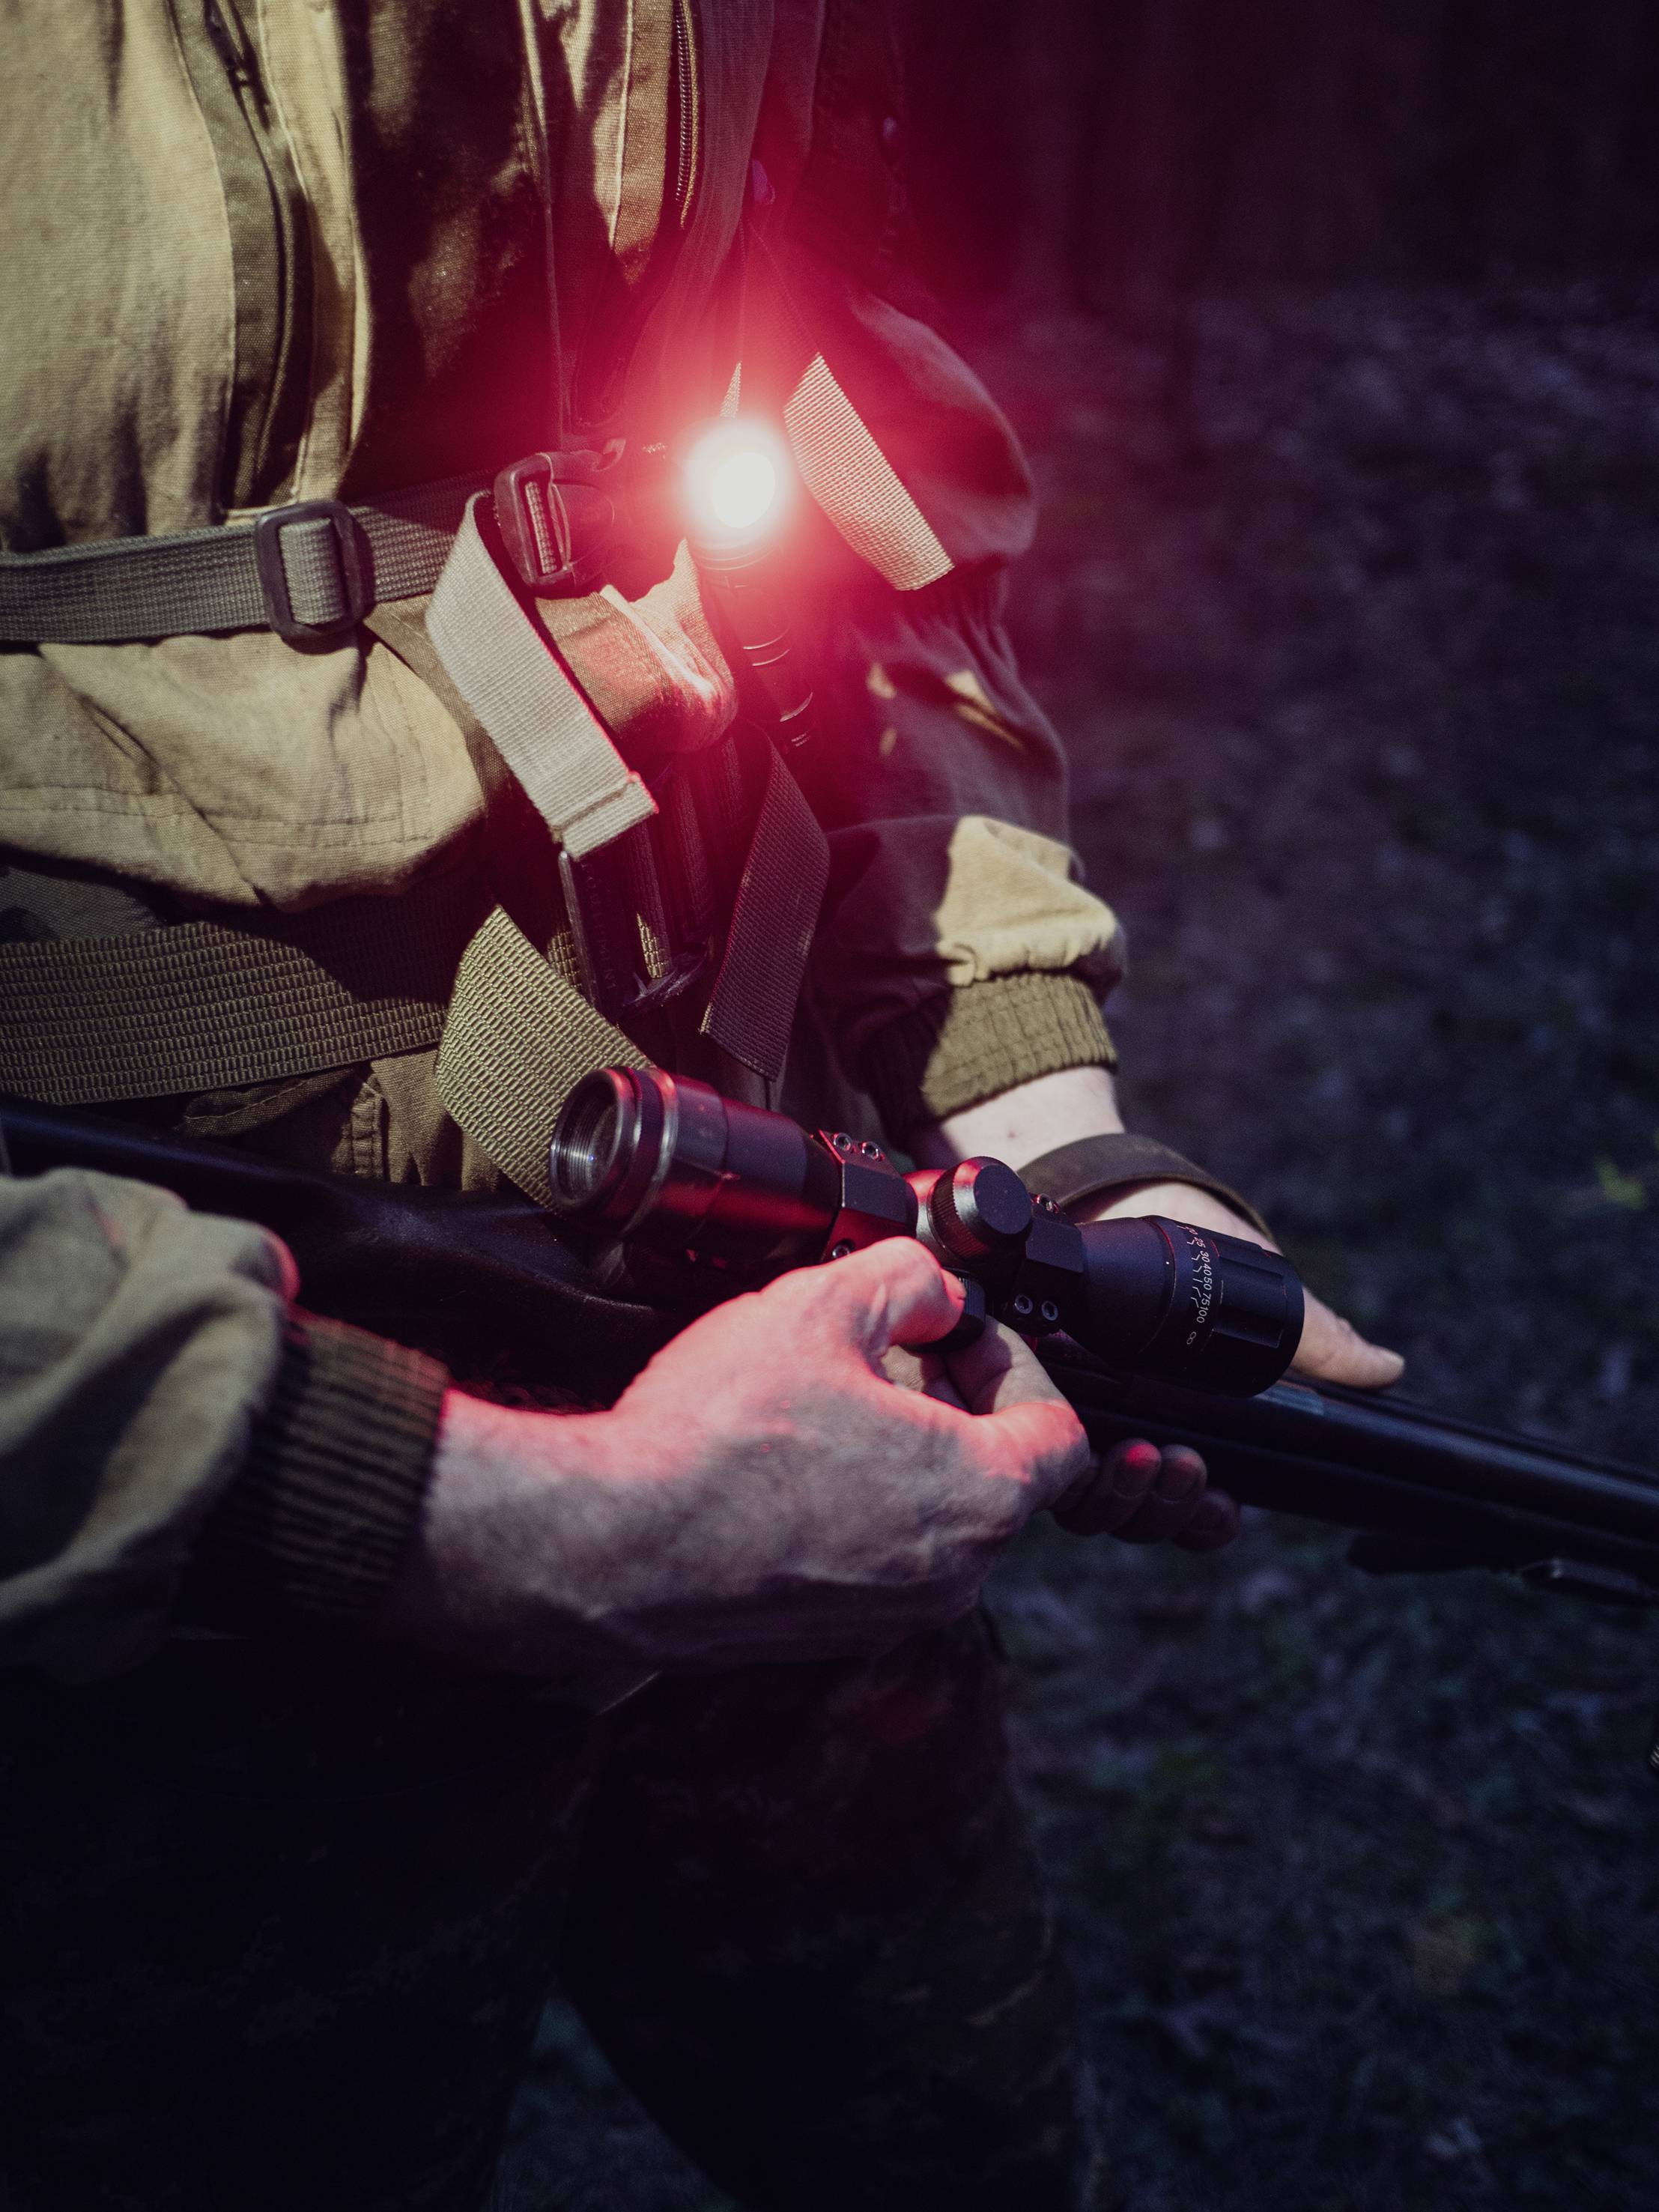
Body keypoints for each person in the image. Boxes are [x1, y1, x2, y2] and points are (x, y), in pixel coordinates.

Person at [0, 7, 1402, 2209]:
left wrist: (1047, 1129)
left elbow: (839, 475)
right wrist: (521, 1523)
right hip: (182, 1548)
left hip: (773, 1319)